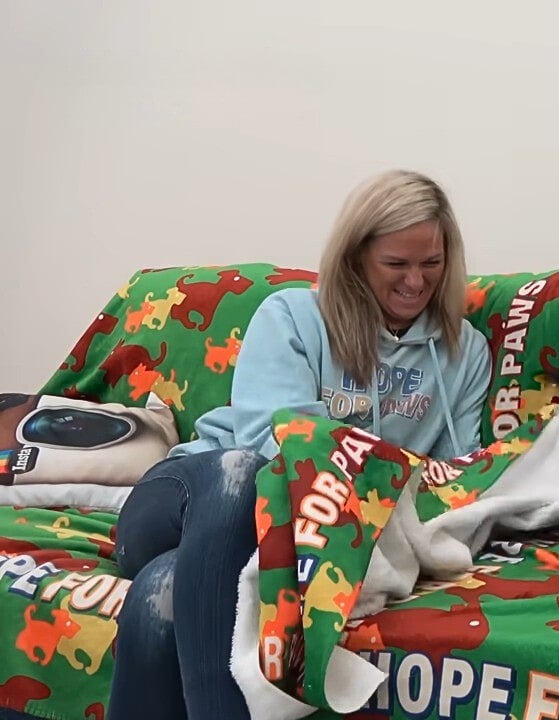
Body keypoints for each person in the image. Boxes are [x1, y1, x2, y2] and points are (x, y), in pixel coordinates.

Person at [106, 169, 493, 719]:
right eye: (396, 265)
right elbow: (280, 455)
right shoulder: (292, 315)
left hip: (294, 544)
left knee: (162, 594)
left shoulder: (465, 352)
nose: (416, 281)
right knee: (242, 472)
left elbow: (455, 475)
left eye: (432, 264)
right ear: (356, 257)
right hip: (188, 498)